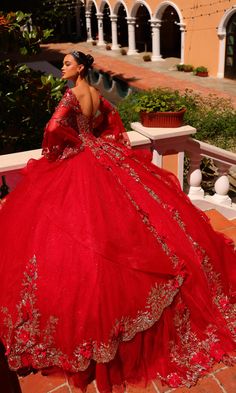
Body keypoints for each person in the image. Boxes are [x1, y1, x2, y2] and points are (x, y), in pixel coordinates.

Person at [0, 51, 235, 393]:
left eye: (67, 63)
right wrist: (89, 138)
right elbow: (110, 120)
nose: (63, 67)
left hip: (80, 160)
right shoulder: (96, 92)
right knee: (140, 223)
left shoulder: (71, 94)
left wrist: (63, 147)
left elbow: (52, 127)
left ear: (80, 68)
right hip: (101, 155)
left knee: (86, 239)